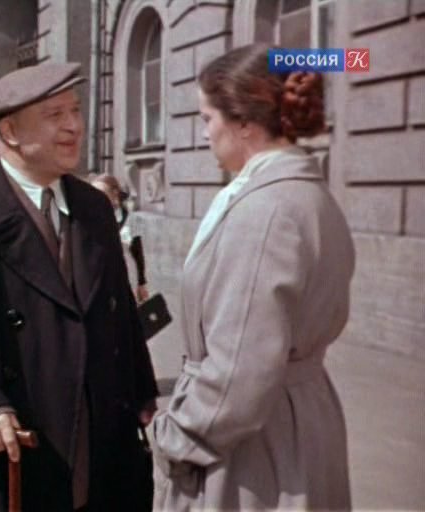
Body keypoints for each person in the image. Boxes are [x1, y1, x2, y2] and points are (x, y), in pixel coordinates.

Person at [0, 62, 158, 511]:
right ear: (11, 131)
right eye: (55, 115)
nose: (74, 126)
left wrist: (140, 390)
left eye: (75, 110)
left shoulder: (94, 207)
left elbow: (120, 317)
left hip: (96, 446)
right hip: (8, 453)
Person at [152, 44, 355, 510]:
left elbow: (239, 372)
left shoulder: (265, 212)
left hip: (253, 449)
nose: (205, 133)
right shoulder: (307, 195)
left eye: (207, 118)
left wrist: (175, 437)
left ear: (243, 122)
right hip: (296, 424)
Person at [90, 174, 149, 303]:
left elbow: (137, 252)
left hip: (126, 272)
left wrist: (142, 282)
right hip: (99, 274)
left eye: (100, 193)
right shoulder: (91, 218)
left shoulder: (130, 219)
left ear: (114, 194)